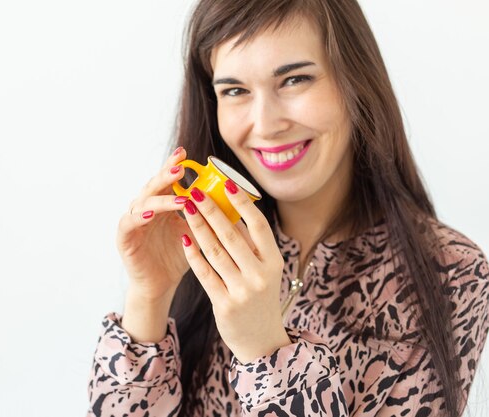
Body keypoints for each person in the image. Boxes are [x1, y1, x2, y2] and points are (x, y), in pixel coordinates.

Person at [86, 0, 489, 416]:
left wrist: (264, 350)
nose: (264, 124)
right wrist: (149, 298)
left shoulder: (449, 273)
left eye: (295, 79)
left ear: (355, 80)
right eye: (235, 90)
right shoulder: (202, 246)